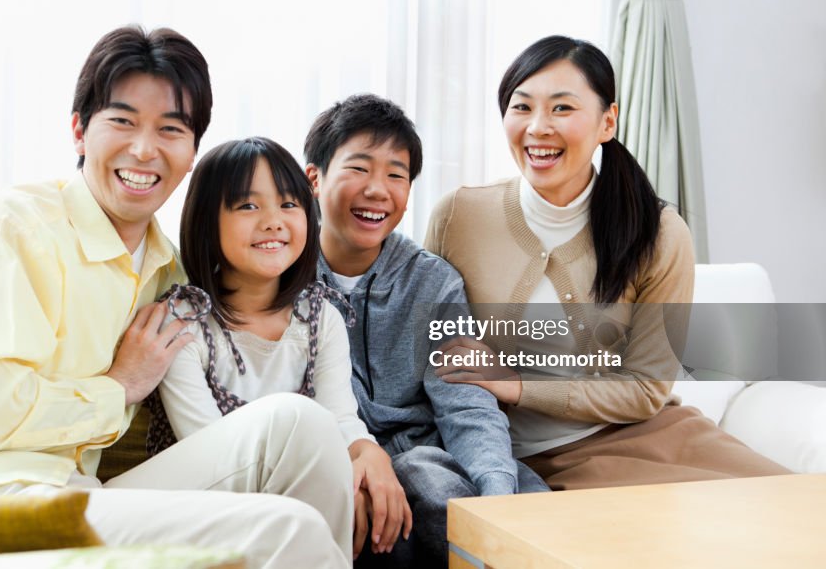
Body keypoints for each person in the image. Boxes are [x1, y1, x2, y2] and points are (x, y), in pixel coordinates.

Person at [0, 26, 354, 568]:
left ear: (192, 151)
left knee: (297, 425)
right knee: (287, 530)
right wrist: (118, 386)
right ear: (79, 130)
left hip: (70, 490)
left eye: (170, 129)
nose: (144, 149)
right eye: (122, 121)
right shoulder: (12, 228)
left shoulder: (164, 269)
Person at [425, 35, 790, 490]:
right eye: (521, 107)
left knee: (797, 516)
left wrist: (518, 385)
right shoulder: (458, 216)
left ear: (607, 122)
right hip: (518, 459)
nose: (538, 127)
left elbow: (645, 390)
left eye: (562, 108)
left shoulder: (659, 232)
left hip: (651, 437)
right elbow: (431, 349)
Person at [304, 94, 548, 569]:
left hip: (434, 459)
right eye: (359, 168)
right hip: (345, 464)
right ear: (314, 178)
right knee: (413, 481)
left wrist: (497, 495)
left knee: (519, 493)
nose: (379, 190)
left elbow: (467, 403)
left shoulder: (433, 281)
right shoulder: (280, 278)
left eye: (396, 175)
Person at [155, 136, 410, 564]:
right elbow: (211, 456)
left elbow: (340, 417)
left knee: (384, 515)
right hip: (206, 505)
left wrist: (368, 455)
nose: (274, 222)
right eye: (249, 206)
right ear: (205, 221)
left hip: (299, 497)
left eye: (289, 204)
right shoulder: (183, 320)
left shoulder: (320, 317)